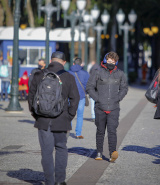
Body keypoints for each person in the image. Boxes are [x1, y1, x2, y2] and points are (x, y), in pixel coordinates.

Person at [28, 51, 80, 185]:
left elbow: (31, 97)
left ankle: (49, 181)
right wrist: (69, 116)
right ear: (63, 62)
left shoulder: (39, 75)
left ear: (51, 60)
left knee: (46, 152)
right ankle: (60, 180)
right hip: (61, 120)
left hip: (43, 120)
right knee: (61, 148)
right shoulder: (68, 77)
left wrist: (37, 115)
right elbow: (75, 98)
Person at [86, 51, 128, 162]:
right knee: (100, 131)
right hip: (100, 107)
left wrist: (118, 98)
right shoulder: (97, 72)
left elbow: (124, 88)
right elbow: (89, 87)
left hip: (114, 107)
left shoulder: (120, 74)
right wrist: (97, 98)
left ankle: (112, 153)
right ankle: (99, 152)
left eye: (113, 61)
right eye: (109, 61)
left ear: (116, 62)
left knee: (112, 131)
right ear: (105, 61)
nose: (111, 63)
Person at [68, 58, 89, 139]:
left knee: (69, 113)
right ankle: (78, 133)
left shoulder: (68, 72)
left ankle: (68, 130)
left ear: (73, 64)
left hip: (70, 96)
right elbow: (88, 85)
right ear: (81, 64)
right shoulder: (85, 73)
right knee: (80, 115)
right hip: (81, 96)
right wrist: (85, 93)